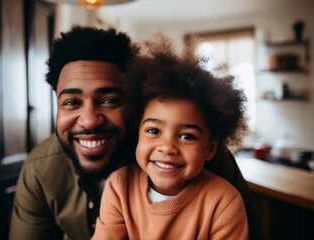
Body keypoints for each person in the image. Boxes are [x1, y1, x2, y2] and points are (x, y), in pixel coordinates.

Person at [9, 26, 262, 240]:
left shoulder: (209, 166)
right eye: (72, 102)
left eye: (108, 100)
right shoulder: (40, 169)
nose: (89, 120)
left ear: (133, 107)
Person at [91, 34, 249, 239]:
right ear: (137, 132)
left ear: (210, 148)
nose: (167, 147)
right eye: (154, 131)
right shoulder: (120, 185)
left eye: (187, 136)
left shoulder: (224, 201)